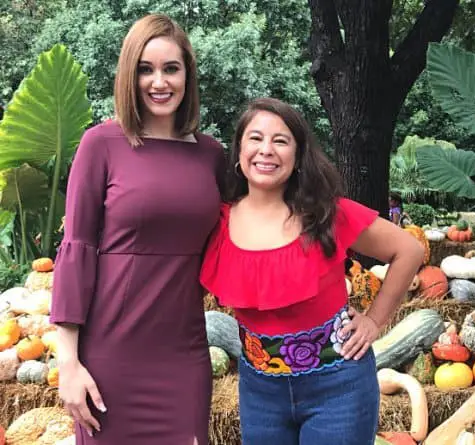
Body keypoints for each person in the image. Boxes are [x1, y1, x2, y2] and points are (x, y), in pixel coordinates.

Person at [199, 98, 424, 445]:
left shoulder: (326, 214)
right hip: (259, 393)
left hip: (339, 388)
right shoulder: (217, 221)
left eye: (281, 141)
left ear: (298, 155)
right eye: (255, 138)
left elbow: (408, 249)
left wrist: (374, 320)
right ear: (239, 152)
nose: (266, 150)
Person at [50, 14, 225, 445]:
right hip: (111, 356)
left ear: (188, 74)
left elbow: (252, 229)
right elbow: (76, 250)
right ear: (129, 75)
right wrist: (68, 363)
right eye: (145, 69)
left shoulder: (212, 156)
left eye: (171, 68)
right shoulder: (102, 144)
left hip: (183, 356)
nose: (158, 82)